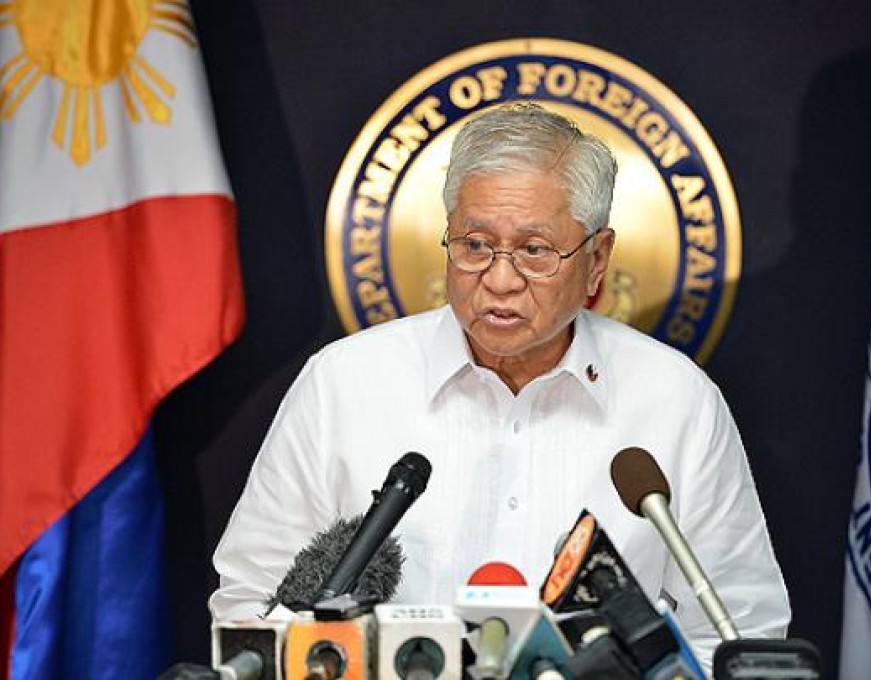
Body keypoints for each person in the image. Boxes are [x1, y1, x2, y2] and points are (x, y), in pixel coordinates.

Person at [210, 102, 790, 668]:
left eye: (535, 251)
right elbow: (250, 616)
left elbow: (736, 637)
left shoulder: (675, 400)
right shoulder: (342, 385)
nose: (501, 279)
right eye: (475, 246)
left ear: (597, 258)